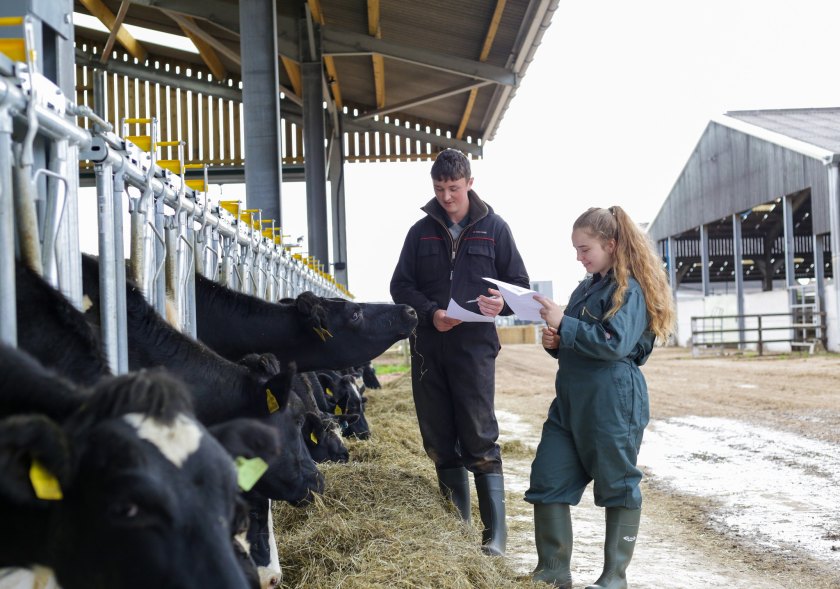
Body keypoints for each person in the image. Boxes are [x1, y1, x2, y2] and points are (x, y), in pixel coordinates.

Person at [526, 206, 675, 588]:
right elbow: (580, 338)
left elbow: (614, 344)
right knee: (547, 479)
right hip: (571, 400)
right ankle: (553, 572)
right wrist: (556, 342)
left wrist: (565, 324)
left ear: (610, 244)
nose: (579, 256)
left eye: (584, 248)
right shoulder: (587, 286)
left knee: (618, 485)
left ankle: (613, 577)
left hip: (612, 399)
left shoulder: (632, 289)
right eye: (576, 250)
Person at [390, 148, 530, 556]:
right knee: (438, 437)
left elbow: (517, 283)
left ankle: (495, 538)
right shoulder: (420, 233)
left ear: (470, 183)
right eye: (439, 188)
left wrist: (498, 305)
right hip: (428, 347)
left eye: (453, 188)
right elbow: (401, 286)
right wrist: (431, 313)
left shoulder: (495, 229)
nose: (447, 196)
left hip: (474, 348)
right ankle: (457, 529)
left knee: (479, 435)